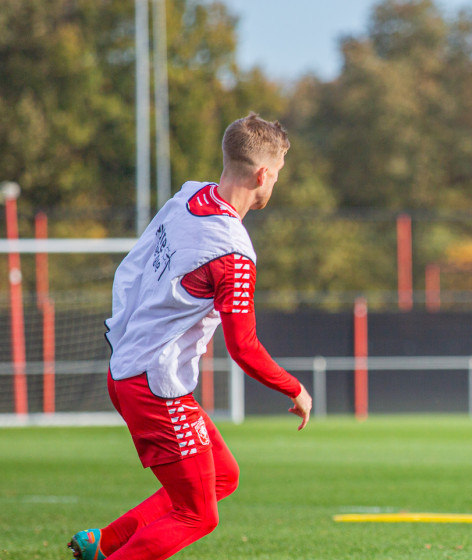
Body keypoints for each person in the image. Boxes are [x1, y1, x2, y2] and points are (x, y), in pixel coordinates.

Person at [68, 113, 312, 560]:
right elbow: (244, 348)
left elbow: (137, 265)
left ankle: (104, 543)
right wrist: (293, 388)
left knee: (223, 477)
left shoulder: (188, 196)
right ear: (262, 174)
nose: (273, 184)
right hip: (154, 387)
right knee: (198, 515)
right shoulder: (233, 253)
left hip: (133, 370)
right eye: (275, 175)